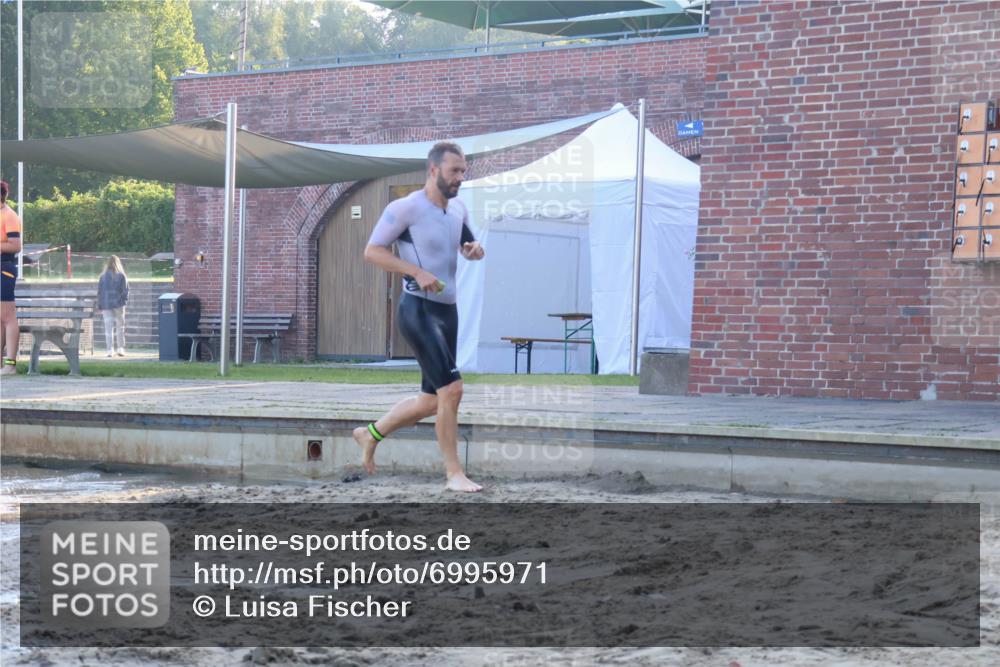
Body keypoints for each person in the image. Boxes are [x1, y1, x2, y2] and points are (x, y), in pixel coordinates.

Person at [353, 141, 486, 493]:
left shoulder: (458, 210)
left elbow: (467, 247)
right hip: (418, 309)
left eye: (462, 170)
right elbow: (372, 252)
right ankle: (454, 473)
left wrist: (474, 251)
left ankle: (369, 433)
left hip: (448, 311)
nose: (460, 177)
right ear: (433, 170)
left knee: (432, 400)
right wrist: (415, 272)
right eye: (454, 170)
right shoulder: (405, 208)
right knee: (452, 390)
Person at [1, 180, 22, 376]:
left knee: (8, 318)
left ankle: (10, 365)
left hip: (4, 269)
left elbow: (16, 246)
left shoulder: (9, 215)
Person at [97, 255, 129, 357]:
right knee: (120, 327)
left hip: (106, 304)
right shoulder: (122, 276)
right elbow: (126, 291)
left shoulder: (102, 276)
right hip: (118, 304)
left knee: (108, 329)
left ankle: (109, 350)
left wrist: (100, 305)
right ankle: (120, 349)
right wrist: (123, 301)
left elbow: (99, 292)